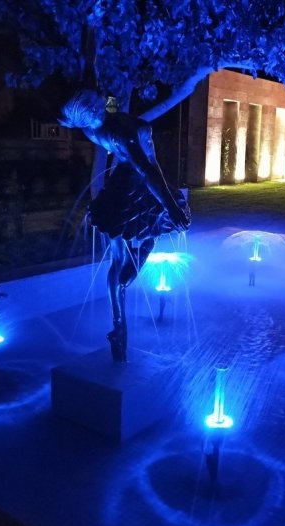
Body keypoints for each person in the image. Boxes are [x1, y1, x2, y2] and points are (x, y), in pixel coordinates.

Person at [60, 90, 190, 362]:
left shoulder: (91, 130)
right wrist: (170, 205)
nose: (100, 105)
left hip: (122, 182)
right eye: (92, 109)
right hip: (135, 182)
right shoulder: (117, 133)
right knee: (151, 231)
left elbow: (143, 165)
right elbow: (146, 169)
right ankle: (120, 321)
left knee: (121, 257)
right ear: (89, 115)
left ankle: (119, 324)